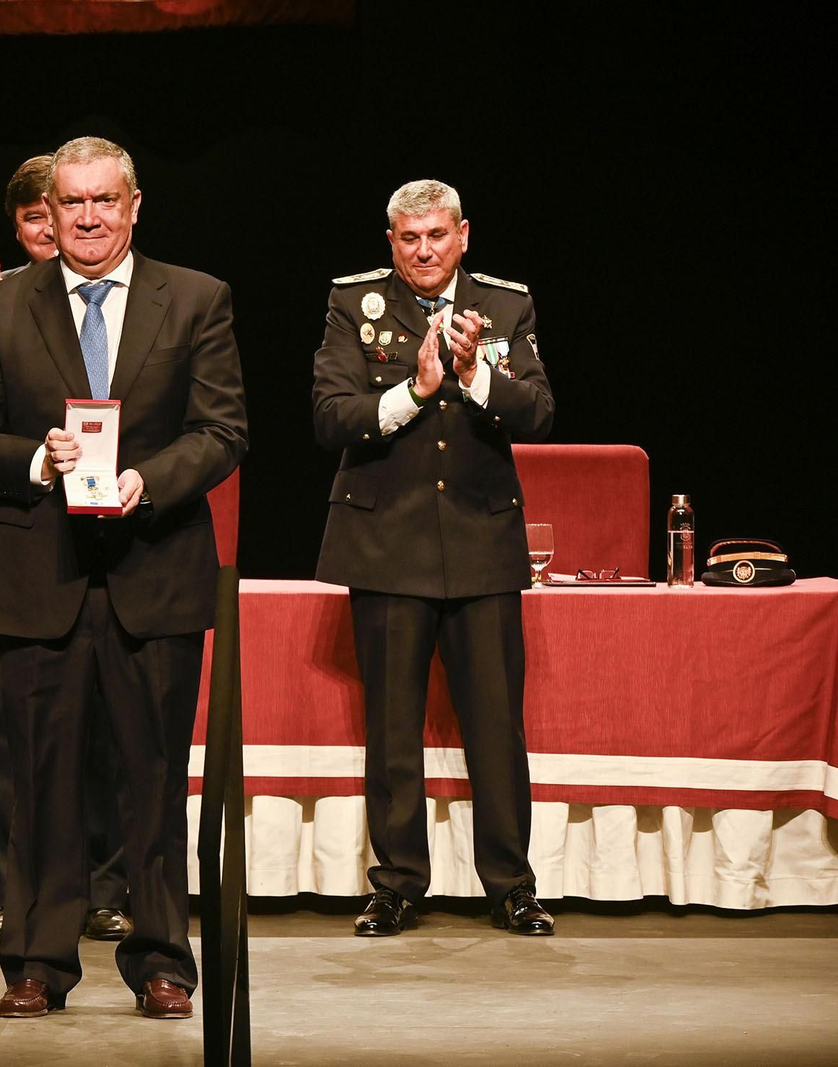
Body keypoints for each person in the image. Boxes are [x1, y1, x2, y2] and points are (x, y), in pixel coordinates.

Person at [0, 136, 247, 1019]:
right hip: (38, 576)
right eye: (71, 202)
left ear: (134, 206)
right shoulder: (0, 306)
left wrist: (149, 478)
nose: (86, 217)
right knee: (40, 784)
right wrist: (38, 459)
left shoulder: (196, 298)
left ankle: (162, 960)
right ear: (49, 209)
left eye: (103, 200)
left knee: (153, 778)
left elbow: (222, 430)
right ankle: (36, 961)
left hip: (156, 573)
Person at [312, 179, 556, 937]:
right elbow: (330, 417)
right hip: (387, 542)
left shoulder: (505, 305)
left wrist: (477, 373)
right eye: (409, 238)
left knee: (496, 727)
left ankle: (511, 886)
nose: (423, 250)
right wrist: (414, 392)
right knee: (392, 729)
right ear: (390, 241)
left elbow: (538, 413)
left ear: (463, 235)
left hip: (482, 541)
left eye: (437, 235)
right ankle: (396, 885)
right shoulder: (354, 302)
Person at [0, 155, 132, 944]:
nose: (57, 228)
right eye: (37, 219)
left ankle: (104, 889)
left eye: (70, 210)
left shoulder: (127, 298)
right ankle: (18, 889)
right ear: (19, 228)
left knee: (107, 725)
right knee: (13, 730)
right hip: (11, 536)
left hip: (110, 534)